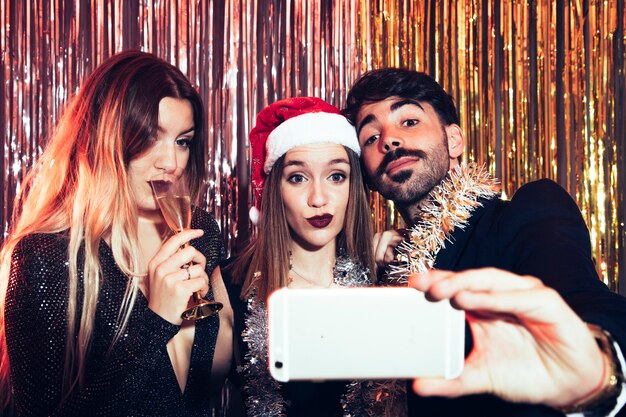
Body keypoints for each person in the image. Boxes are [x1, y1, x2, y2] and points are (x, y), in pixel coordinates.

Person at [343, 68, 626, 417]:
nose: (389, 139)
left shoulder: (526, 212)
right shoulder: (387, 271)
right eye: (371, 137)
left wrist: (598, 374)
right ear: (368, 176)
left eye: (410, 121)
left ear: (454, 140)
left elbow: (583, 297)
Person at [0, 50, 228, 416]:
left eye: (182, 141)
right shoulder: (45, 259)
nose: (171, 162)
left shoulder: (199, 232)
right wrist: (156, 322)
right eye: (152, 136)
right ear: (106, 135)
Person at [213, 97, 406, 416]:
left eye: (336, 176)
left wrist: (410, 257)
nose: (318, 198)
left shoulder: (383, 277)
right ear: (275, 189)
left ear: (352, 187)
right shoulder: (232, 283)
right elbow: (187, 398)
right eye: (298, 177)